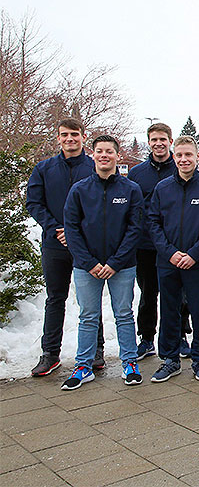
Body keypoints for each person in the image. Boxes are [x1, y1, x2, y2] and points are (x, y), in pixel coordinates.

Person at [61, 135, 144, 390]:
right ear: (93, 154)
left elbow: (135, 228)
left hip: (122, 265)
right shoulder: (80, 189)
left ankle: (129, 362)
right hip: (87, 266)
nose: (104, 155)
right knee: (88, 316)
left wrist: (116, 262)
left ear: (117, 156)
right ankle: (83, 366)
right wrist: (89, 262)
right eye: (99, 151)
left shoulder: (130, 190)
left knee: (124, 314)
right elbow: (72, 228)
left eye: (109, 151)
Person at [26, 117, 102, 377]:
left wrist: (77, 233)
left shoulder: (94, 168)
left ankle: (97, 350)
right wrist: (56, 228)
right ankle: (50, 353)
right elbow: (34, 203)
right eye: (64, 135)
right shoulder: (44, 169)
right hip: (54, 244)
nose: (69, 139)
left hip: (87, 245)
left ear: (83, 136)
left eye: (74, 134)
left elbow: (99, 206)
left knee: (90, 301)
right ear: (57, 138)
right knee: (55, 298)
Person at [146, 136, 199, 382]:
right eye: (179, 155)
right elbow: (153, 223)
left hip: (197, 263)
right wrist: (170, 253)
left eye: (188, 154)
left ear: (197, 156)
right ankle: (170, 359)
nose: (183, 159)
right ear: (173, 156)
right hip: (167, 262)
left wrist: (194, 254)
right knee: (169, 310)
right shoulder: (163, 188)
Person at [128, 122, 192, 361]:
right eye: (154, 139)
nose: (158, 143)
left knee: (178, 295)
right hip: (145, 245)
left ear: (170, 141)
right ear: (149, 142)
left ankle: (180, 336)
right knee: (148, 294)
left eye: (163, 139)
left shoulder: (179, 169)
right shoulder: (137, 174)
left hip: (175, 245)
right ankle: (146, 338)